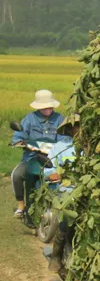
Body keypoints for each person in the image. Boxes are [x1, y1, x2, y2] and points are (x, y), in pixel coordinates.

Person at [10, 90, 64, 218]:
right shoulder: (29, 119)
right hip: (31, 157)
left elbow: (63, 137)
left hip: (52, 158)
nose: (47, 109)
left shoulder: (59, 119)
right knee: (16, 176)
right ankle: (21, 206)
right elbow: (19, 135)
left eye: (50, 107)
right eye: (44, 107)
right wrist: (19, 142)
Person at [42, 114, 79, 277]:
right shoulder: (61, 147)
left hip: (91, 192)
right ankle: (56, 254)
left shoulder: (96, 147)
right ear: (71, 128)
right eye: (77, 126)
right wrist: (52, 174)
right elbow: (48, 169)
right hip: (67, 191)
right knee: (67, 217)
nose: (81, 129)